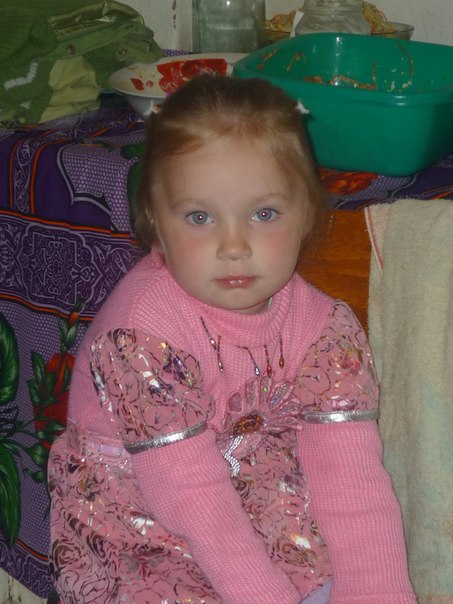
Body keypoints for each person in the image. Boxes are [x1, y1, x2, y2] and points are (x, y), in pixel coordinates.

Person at [48, 73, 416, 604]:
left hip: (259, 493)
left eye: (263, 214)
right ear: (155, 222)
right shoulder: (141, 335)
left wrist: (378, 593)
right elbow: (190, 493)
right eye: (200, 217)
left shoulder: (325, 328)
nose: (234, 245)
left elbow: (351, 475)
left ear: (306, 214)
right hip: (138, 521)